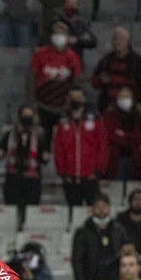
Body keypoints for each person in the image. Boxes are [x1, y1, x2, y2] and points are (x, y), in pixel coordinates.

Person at [53, 85, 106, 219]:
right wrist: (63, 173)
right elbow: (58, 148)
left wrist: (98, 170)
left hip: (90, 175)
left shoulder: (95, 118)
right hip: (70, 177)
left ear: (84, 99)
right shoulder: (62, 120)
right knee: (73, 213)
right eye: (73, 97)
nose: (76, 100)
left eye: (78, 97)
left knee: (93, 212)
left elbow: (103, 145)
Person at [0, 104, 49, 229]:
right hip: (13, 177)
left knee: (31, 211)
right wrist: (0, 153)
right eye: (25, 115)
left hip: (32, 179)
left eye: (29, 116)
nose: (27, 118)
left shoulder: (39, 135)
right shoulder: (10, 134)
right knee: (11, 210)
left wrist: (45, 156)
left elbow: (45, 156)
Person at [72, 193, 129, 280]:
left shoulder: (118, 229)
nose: (101, 210)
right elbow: (77, 259)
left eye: (104, 206)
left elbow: (128, 250)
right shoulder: (83, 231)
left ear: (109, 208)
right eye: (98, 207)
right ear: (92, 209)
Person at [30, 22, 83, 143]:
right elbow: (31, 79)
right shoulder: (40, 54)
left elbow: (77, 82)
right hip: (43, 106)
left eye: (62, 34)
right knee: (43, 140)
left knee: (65, 141)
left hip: (64, 109)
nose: (59, 37)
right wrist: (32, 103)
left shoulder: (73, 57)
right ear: (51, 36)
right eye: (56, 34)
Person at [90, 27, 141, 115]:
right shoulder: (106, 60)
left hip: (132, 108)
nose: (118, 42)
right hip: (109, 107)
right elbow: (94, 82)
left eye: (121, 39)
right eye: (115, 39)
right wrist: (100, 80)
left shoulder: (138, 62)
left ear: (128, 41)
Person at [103, 86, 141, 182]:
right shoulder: (110, 114)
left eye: (127, 97)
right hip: (116, 158)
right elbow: (111, 135)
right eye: (122, 97)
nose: (124, 99)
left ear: (132, 99)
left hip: (134, 159)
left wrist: (125, 135)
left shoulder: (138, 115)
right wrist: (132, 138)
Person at [51, 0, 96, 67]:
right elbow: (45, 42)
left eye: (74, 4)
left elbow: (93, 42)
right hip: (57, 64)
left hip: (76, 64)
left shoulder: (80, 22)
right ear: (64, 5)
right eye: (69, 4)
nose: (72, 7)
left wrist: (77, 40)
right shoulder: (55, 21)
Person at [116, 189, 141, 260]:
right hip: (122, 257)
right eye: (135, 199)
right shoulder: (120, 219)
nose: (138, 202)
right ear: (130, 201)